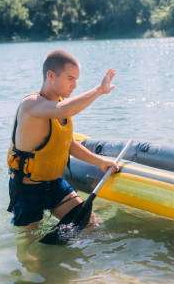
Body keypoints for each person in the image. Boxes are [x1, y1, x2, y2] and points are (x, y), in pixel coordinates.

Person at [7, 50, 118, 229]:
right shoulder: (32, 105)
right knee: (29, 245)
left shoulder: (59, 103)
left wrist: (101, 162)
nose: (74, 85)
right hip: (27, 189)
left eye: (76, 80)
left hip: (54, 184)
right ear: (51, 75)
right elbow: (63, 110)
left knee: (91, 224)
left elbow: (69, 144)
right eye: (70, 78)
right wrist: (99, 90)